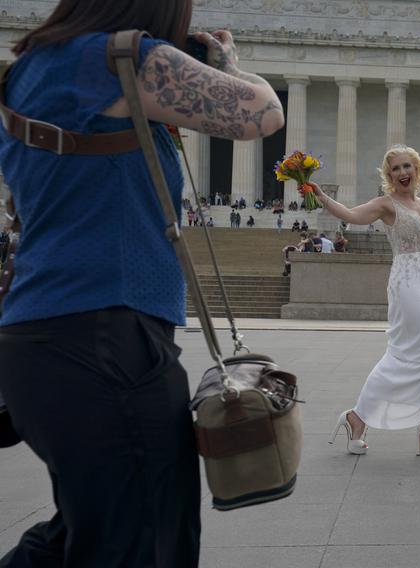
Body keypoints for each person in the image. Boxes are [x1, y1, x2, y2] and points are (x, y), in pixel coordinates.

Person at [0, 1, 284, 565]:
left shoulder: (30, 71)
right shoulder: (116, 60)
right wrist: (228, 63)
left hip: (49, 336)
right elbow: (262, 112)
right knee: (149, 538)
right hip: (105, 338)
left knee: (86, 535)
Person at [311, 146, 420, 457]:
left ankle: (358, 419)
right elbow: (351, 215)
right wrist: (321, 197)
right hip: (405, 284)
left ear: (416, 169)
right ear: (389, 175)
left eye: (407, 166)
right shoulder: (385, 205)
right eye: (396, 169)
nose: (403, 173)